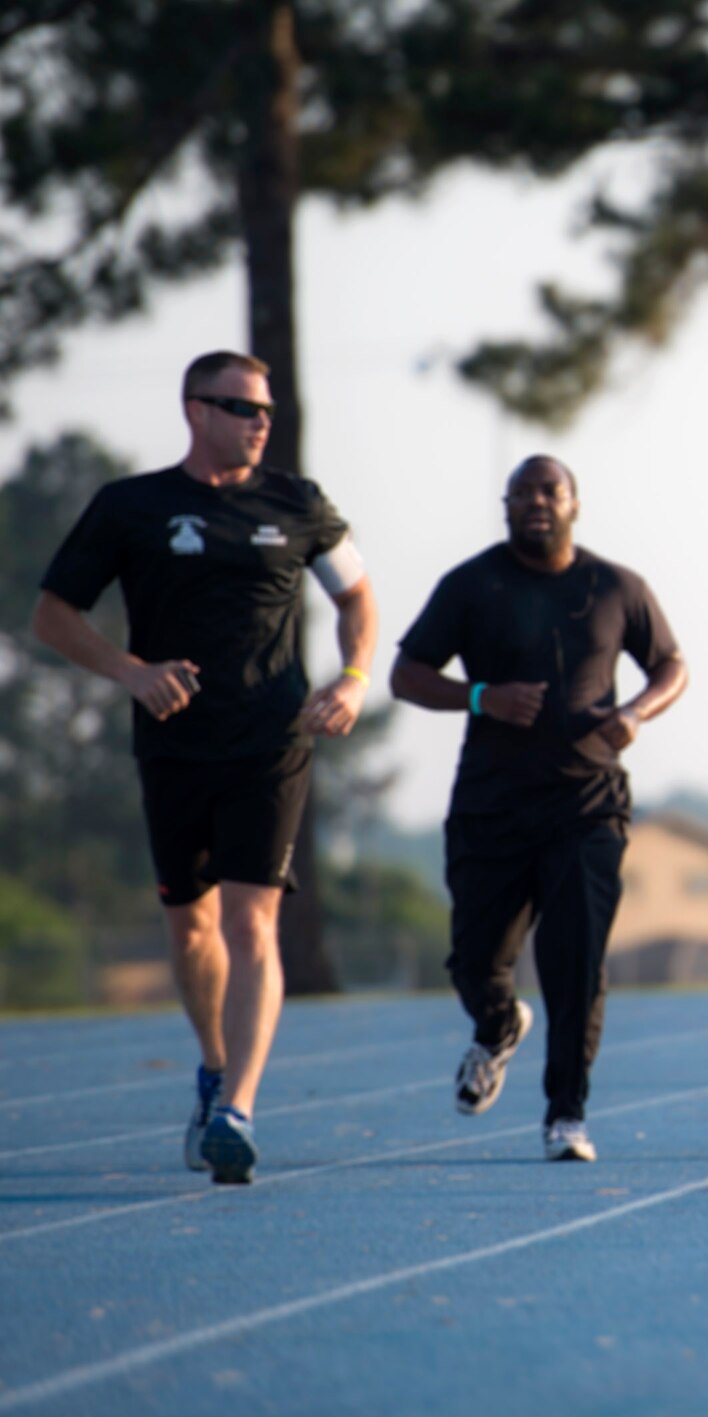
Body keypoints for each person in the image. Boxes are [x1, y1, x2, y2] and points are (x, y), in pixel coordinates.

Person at [33, 352, 377, 1186]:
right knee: (191, 925)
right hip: (174, 743)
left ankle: (238, 1109)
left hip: (273, 740)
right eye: (241, 407)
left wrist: (355, 677)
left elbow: (357, 598)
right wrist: (130, 672)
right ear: (196, 411)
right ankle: (215, 1067)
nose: (260, 421)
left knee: (252, 922)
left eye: (266, 409)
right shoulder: (132, 506)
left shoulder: (298, 502)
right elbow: (52, 613)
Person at [390, 455, 686, 1164]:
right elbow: (406, 673)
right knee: (476, 962)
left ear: (574, 503)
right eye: (521, 492)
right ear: (506, 506)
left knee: (574, 956)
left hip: (589, 802)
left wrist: (637, 713)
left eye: (549, 490)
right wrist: (479, 696)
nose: (535, 502)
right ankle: (496, 1026)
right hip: (491, 804)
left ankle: (566, 1112)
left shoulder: (617, 585)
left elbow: (672, 664)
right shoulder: (472, 583)